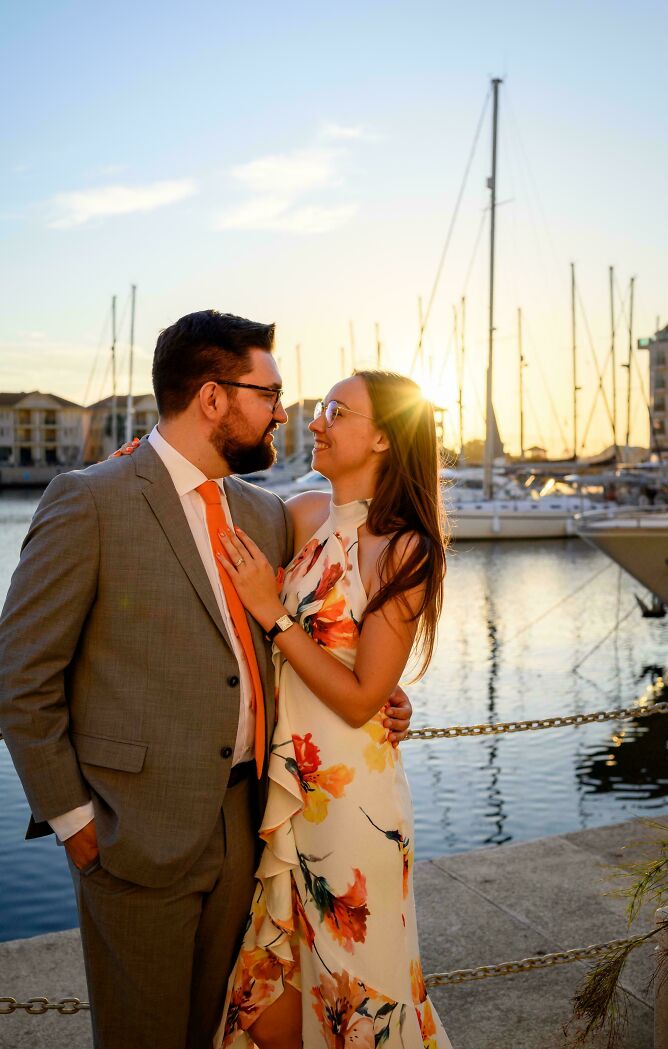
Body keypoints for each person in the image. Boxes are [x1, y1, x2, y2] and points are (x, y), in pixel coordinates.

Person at [0, 310, 413, 1049]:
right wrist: (75, 821)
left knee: (224, 1035)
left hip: (251, 831)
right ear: (214, 398)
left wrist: (382, 688)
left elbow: (326, 620)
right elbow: (24, 673)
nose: (285, 412)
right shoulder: (91, 499)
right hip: (134, 833)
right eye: (269, 393)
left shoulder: (266, 513)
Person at [211, 370, 452, 1049]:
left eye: (334, 410)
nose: (315, 421)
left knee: (360, 997)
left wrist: (272, 611)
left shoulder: (406, 549)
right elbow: (213, 505)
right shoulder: (304, 514)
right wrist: (137, 462)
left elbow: (357, 700)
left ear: (381, 436)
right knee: (262, 996)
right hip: (288, 790)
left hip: (355, 808)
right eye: (319, 408)